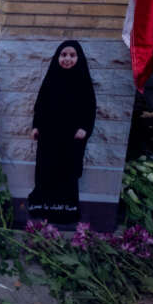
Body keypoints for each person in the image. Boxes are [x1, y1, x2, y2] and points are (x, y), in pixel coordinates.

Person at [27, 40, 96, 223]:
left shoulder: (82, 81)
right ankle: (44, 206)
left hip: (71, 138)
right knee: (46, 170)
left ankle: (65, 209)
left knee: (66, 171)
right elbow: (40, 105)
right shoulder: (51, 79)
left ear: (78, 58)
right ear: (57, 57)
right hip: (49, 136)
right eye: (63, 55)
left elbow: (90, 107)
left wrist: (84, 128)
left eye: (72, 55)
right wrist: (36, 126)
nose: (67, 59)